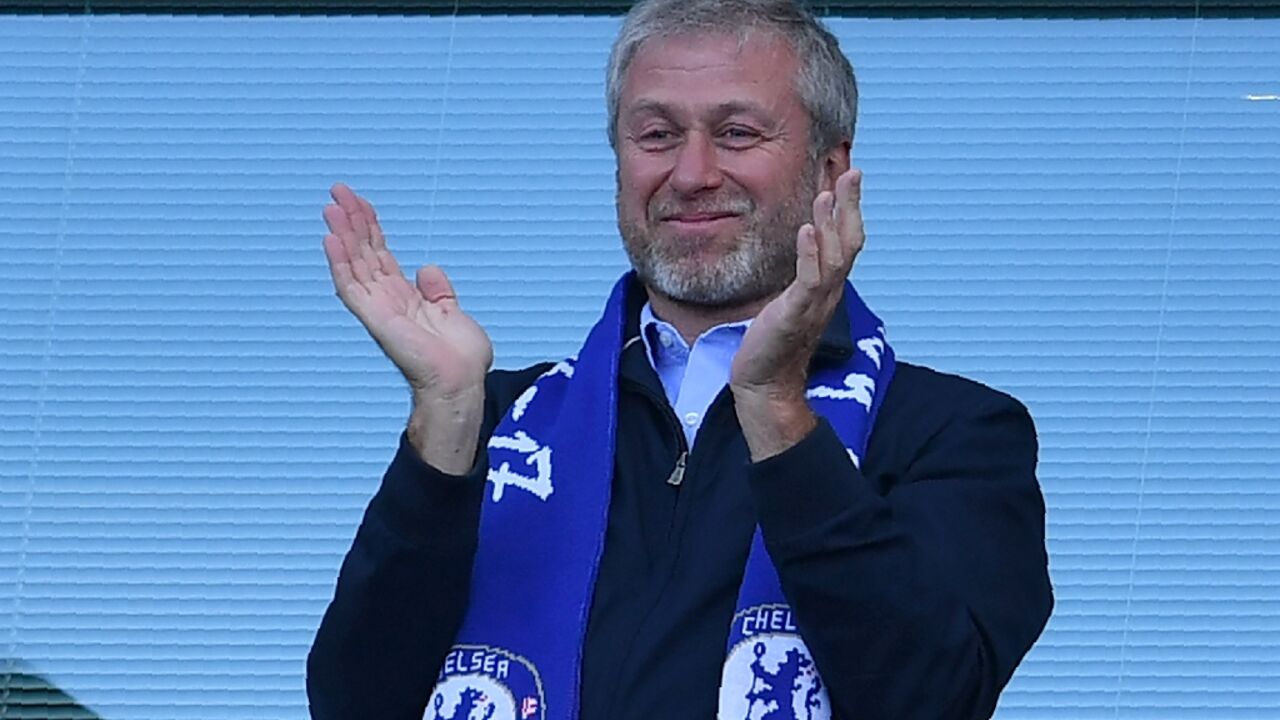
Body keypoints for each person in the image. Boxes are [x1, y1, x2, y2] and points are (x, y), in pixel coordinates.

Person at [307, 0, 1053, 718]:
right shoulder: (495, 424)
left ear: (830, 170)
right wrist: (445, 419)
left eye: (736, 133)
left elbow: (933, 697)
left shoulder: (951, 431)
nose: (692, 173)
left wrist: (777, 412)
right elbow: (358, 704)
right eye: (657, 135)